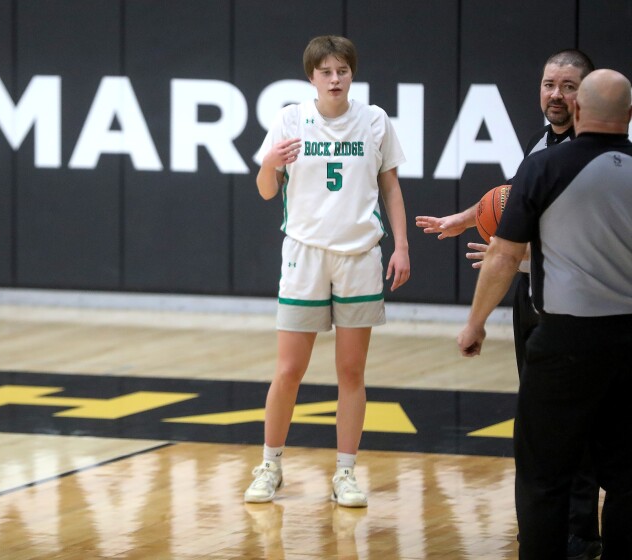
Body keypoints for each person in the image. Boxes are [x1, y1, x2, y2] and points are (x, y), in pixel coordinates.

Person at [416, 49, 603, 560]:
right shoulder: (539, 142)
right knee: (544, 425)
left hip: (581, 305)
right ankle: (551, 532)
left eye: (568, 86)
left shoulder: (600, 152)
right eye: (549, 84)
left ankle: (580, 535)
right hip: (534, 295)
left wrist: (508, 254)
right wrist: (469, 218)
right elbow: (513, 201)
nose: (556, 95)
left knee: (580, 426)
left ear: (588, 92)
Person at [457, 68, 632, 559]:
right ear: (630, 117)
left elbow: (504, 255)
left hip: (566, 344)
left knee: (542, 477)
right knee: (627, 477)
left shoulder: (544, 167)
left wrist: (475, 324)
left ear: (577, 110)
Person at [244, 35, 410, 507]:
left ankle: (346, 473)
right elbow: (265, 191)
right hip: (305, 255)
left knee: (351, 371)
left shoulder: (374, 121)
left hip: (360, 255)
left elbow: (391, 189)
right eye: (325, 72)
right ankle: (270, 464)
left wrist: (402, 246)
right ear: (311, 77)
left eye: (342, 71)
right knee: (289, 369)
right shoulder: (290, 119)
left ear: (352, 74)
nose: (335, 79)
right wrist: (270, 164)